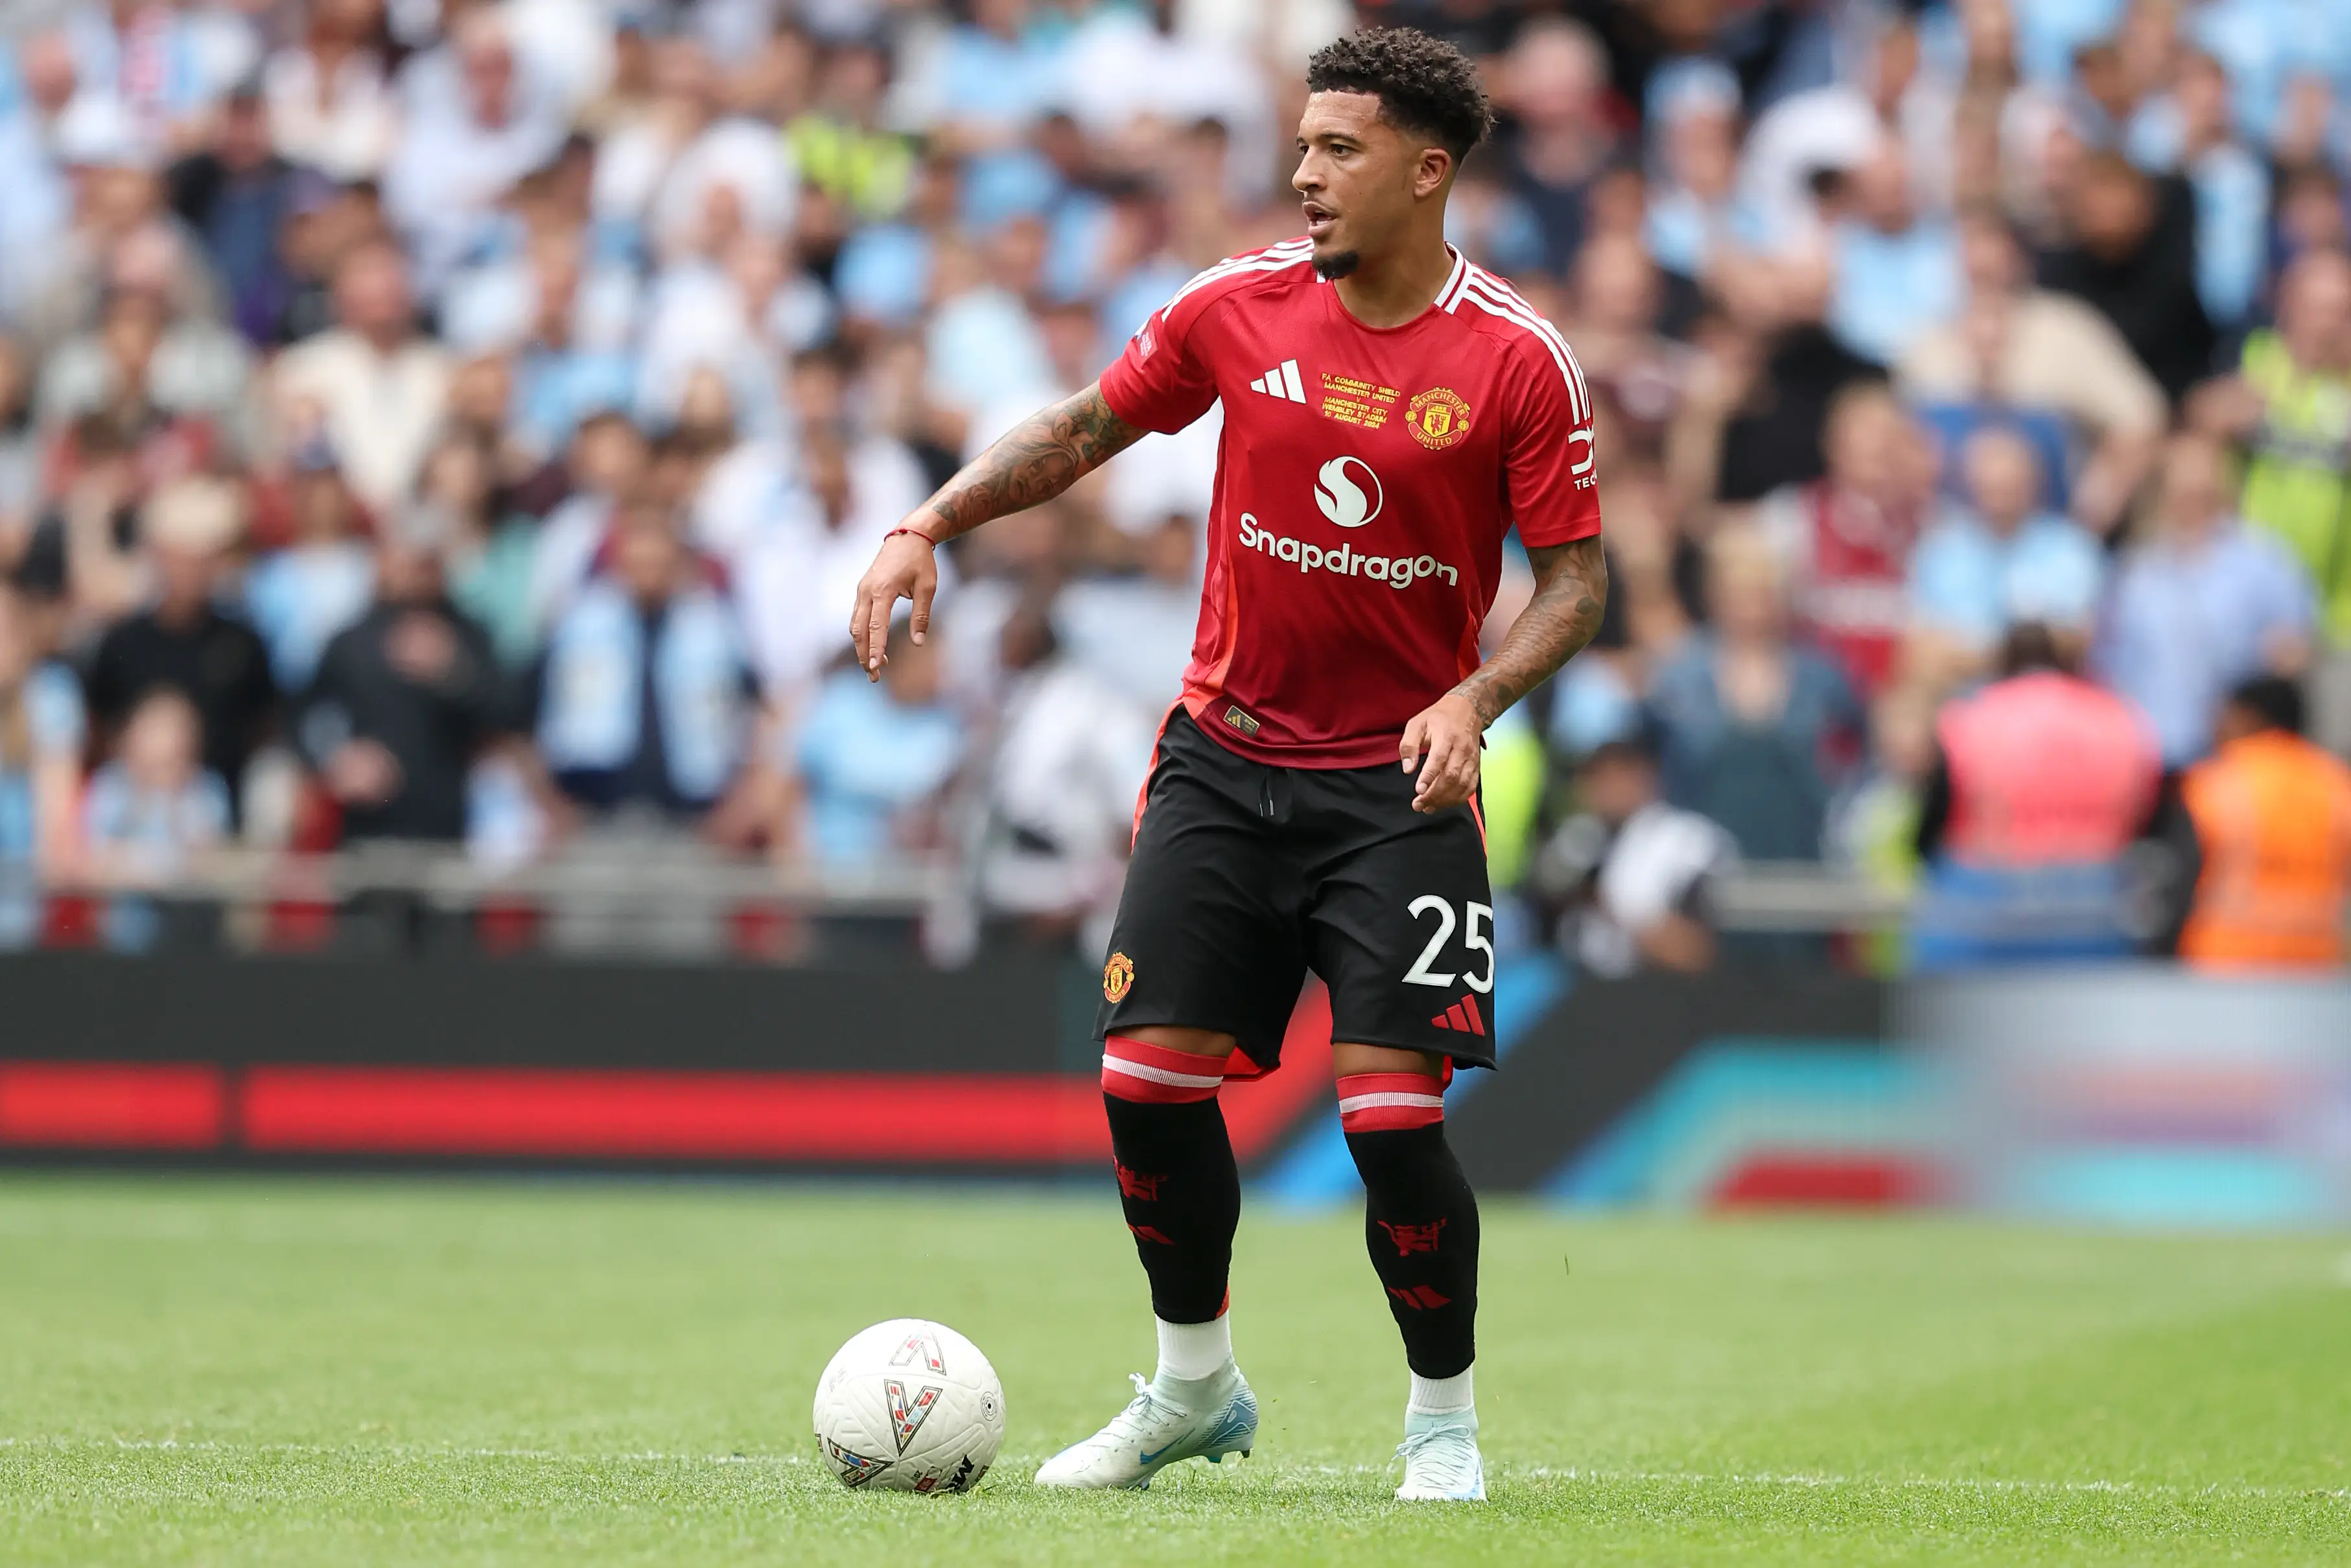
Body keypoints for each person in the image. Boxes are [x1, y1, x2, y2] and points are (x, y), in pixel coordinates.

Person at [848, 28, 1609, 1502]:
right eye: (1303, 144)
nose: (1305, 174)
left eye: (1339, 150)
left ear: (1427, 170)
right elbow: (1083, 428)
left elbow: (1577, 585)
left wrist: (1477, 689)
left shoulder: (1517, 359)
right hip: (1222, 759)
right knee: (1145, 1084)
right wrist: (927, 523)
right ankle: (1194, 1385)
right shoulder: (1237, 308)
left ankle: (1440, 1422)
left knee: (1388, 1118)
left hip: (1401, 782)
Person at [1910, 624, 2163, 970]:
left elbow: (1934, 816)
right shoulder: (2117, 717)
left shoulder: (1972, 716)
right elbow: (2146, 812)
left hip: (1986, 902)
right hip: (2096, 904)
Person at [2093, 432, 2315, 767]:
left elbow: (2296, 649)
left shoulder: (2263, 561)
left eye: (2204, 496)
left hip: (2234, 761)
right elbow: (2107, 661)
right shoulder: (2135, 571)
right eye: (2183, 495)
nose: (2193, 507)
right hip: (2151, 755)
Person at [2171, 677, 2351, 970]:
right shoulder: (2337, 783)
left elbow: (2181, 883)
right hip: (2317, 969)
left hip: (2225, 967)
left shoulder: (2217, 782)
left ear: (2248, 717)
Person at [1531, 734, 1737, 978]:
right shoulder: (1576, 838)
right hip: (1573, 991)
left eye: (1610, 777)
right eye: (1592, 778)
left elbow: (1699, 951)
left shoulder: (1692, 842)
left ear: (1643, 776)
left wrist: (1606, 907)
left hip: (1669, 992)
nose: (1597, 790)